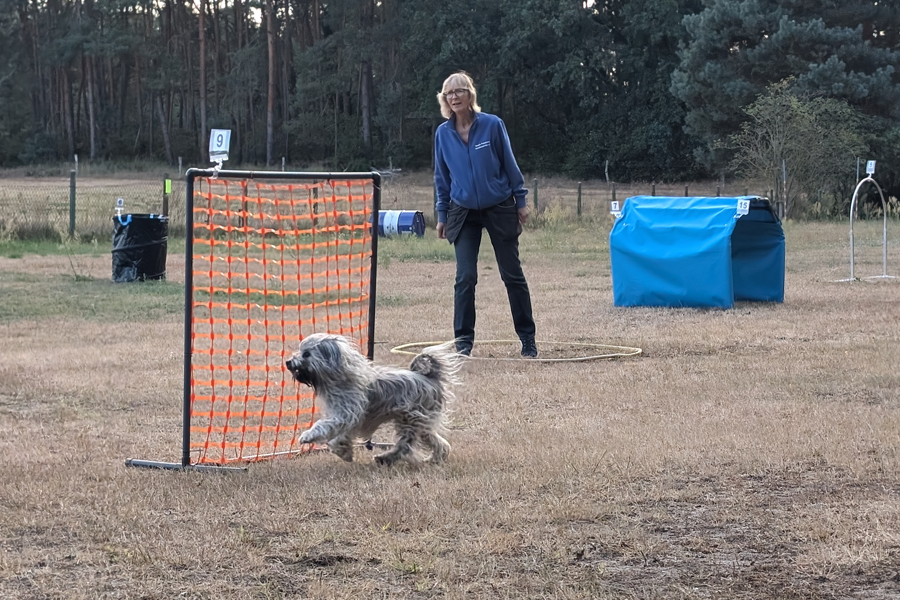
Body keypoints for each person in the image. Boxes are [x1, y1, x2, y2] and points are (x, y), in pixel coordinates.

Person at [433, 72, 538, 358]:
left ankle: (528, 339)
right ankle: (463, 344)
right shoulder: (443, 134)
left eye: (459, 91)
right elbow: (441, 178)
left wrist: (520, 201)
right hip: (462, 210)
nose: (454, 97)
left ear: (470, 95)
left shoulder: (492, 125)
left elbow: (510, 164)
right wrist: (442, 214)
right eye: (448, 93)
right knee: (465, 277)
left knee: (512, 274)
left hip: (499, 206)